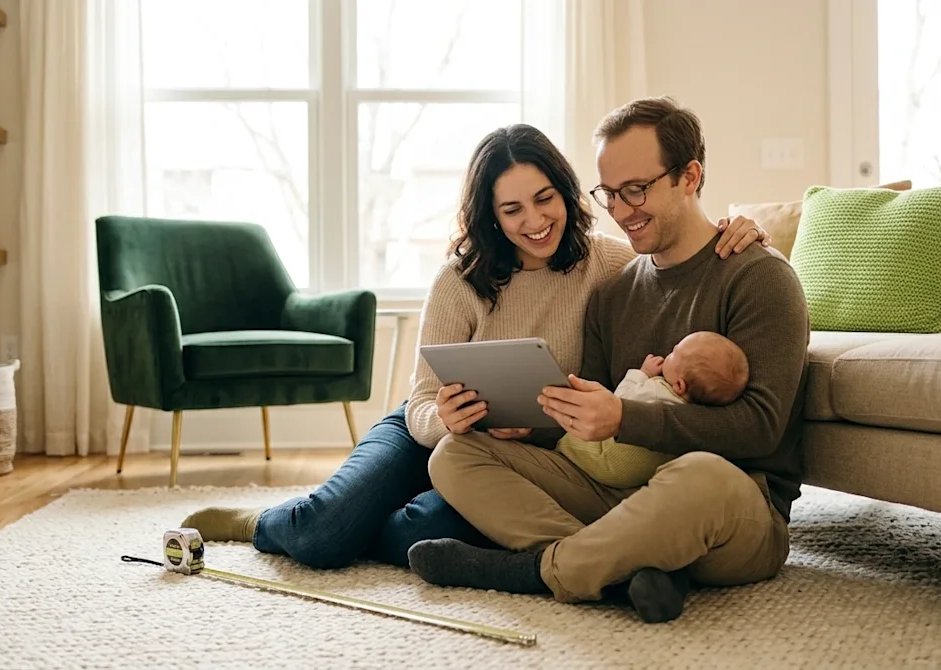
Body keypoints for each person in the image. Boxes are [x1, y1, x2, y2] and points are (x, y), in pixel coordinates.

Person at [177, 121, 772, 572]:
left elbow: (673, 251)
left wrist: (741, 228)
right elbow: (419, 404)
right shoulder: (459, 280)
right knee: (320, 538)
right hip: (431, 431)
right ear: (490, 215)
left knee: (433, 536)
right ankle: (266, 519)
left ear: (567, 193)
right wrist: (448, 421)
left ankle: (368, 520)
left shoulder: (607, 263)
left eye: (546, 199)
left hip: (516, 456)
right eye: (511, 209)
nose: (535, 221)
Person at [406, 97, 811, 625]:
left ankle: (532, 571)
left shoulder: (759, 277)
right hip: (616, 494)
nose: (621, 211)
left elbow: (760, 430)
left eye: (636, 190)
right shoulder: (615, 290)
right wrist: (536, 428)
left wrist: (625, 418)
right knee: (455, 457)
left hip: (730, 505)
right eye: (609, 194)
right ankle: (627, 569)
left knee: (701, 475)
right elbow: (590, 432)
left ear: (690, 177)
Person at [555, 331, 749, 488]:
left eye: (674, 353)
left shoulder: (657, 392)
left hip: (606, 462)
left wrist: (642, 373)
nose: (668, 354)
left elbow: (618, 402)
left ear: (680, 385)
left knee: (571, 439)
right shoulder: (693, 415)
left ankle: (560, 450)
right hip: (635, 478)